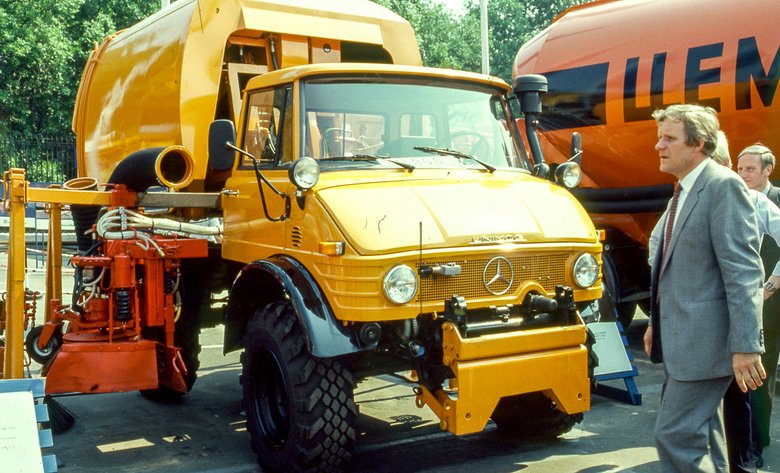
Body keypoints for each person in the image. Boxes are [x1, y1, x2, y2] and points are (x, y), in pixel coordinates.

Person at [643, 104, 765, 472]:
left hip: (706, 345)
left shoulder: (722, 186)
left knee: (675, 436)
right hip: (685, 341)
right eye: (659, 137)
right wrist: (655, 324)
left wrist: (746, 346)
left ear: (698, 144)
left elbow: (743, 271)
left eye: (669, 138)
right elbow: (672, 269)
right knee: (704, 436)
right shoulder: (684, 191)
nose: (658, 146)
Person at [738, 143, 780, 465]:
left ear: (768, 170)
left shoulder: (775, 202)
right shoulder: (737, 200)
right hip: (752, 306)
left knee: (763, 376)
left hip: (771, 299)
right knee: (750, 375)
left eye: (750, 169)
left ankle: (756, 443)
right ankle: (750, 444)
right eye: (740, 168)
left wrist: (771, 285)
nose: (744, 175)